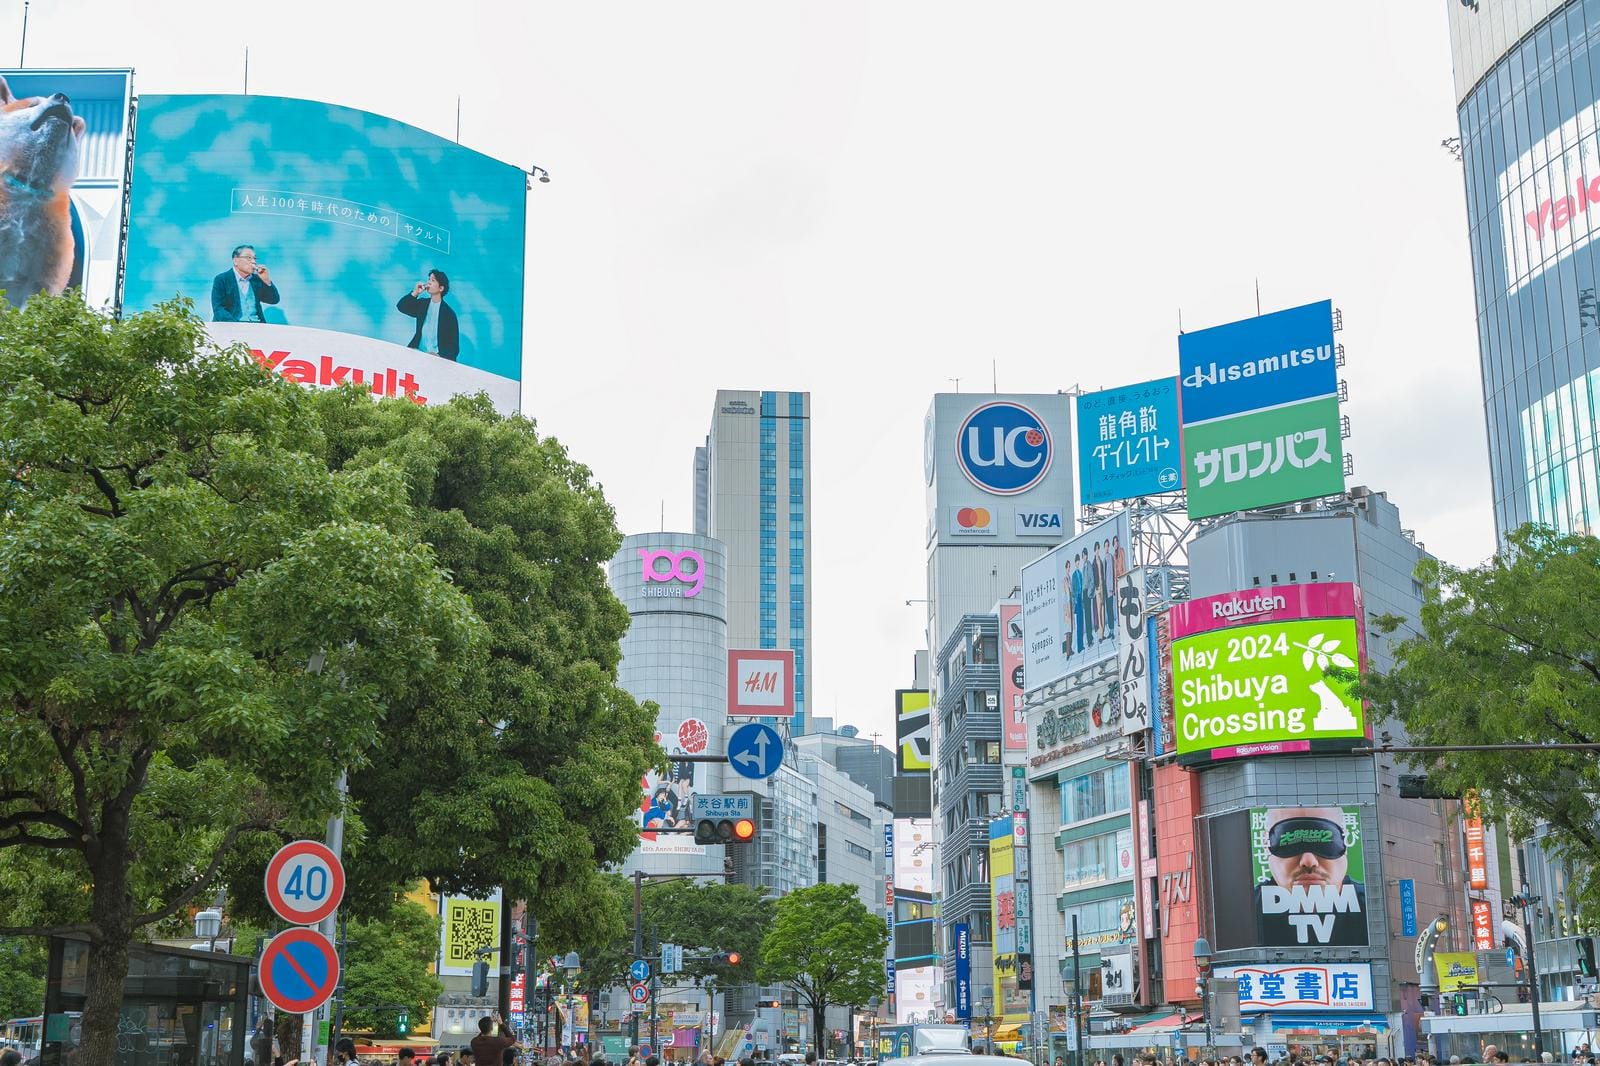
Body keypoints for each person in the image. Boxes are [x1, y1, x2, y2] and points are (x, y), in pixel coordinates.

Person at [1253, 806, 1366, 946]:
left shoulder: (1372, 908)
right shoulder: (1242, 912)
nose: (1308, 862)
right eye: (1291, 841)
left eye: (1324, 840)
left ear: (1345, 842)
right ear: (1266, 845)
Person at [396, 269, 460, 360]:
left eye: (433, 280)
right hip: (417, 353)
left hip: (438, 360)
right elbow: (401, 307)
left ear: (441, 288)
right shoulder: (422, 305)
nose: (429, 282)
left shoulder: (449, 314)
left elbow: (454, 346)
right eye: (429, 280)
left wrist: (440, 356)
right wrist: (415, 292)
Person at [211, 244, 280, 322]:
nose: (253, 262)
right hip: (231, 326)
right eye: (248, 258)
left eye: (254, 258)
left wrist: (266, 280)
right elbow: (218, 309)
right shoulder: (222, 279)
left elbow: (274, 300)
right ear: (235, 261)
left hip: (256, 326)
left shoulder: (256, 279)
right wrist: (235, 327)